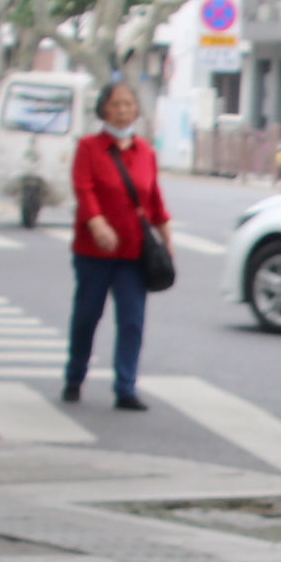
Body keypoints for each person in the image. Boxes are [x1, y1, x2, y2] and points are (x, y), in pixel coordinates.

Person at [65, 77, 167, 411]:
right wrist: (97, 223)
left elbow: (154, 201)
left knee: (132, 322)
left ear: (136, 111)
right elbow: (84, 190)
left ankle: (126, 387)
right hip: (94, 252)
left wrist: (166, 241)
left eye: (128, 105)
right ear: (104, 110)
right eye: (115, 105)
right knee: (87, 317)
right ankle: (75, 376)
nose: (122, 111)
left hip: (134, 253)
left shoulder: (146, 152)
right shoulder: (88, 147)